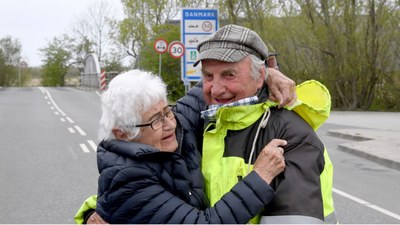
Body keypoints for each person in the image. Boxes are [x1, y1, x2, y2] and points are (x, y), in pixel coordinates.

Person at [181, 24, 336, 224]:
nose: (216, 90)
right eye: (208, 76)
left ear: (261, 76)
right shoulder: (207, 124)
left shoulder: (289, 135)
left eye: (230, 75)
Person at [89, 69, 286, 223]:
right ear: (123, 134)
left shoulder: (175, 124)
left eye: (167, 111)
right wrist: (260, 176)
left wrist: (264, 74)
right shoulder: (128, 182)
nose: (170, 125)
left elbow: (210, 87)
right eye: (155, 121)